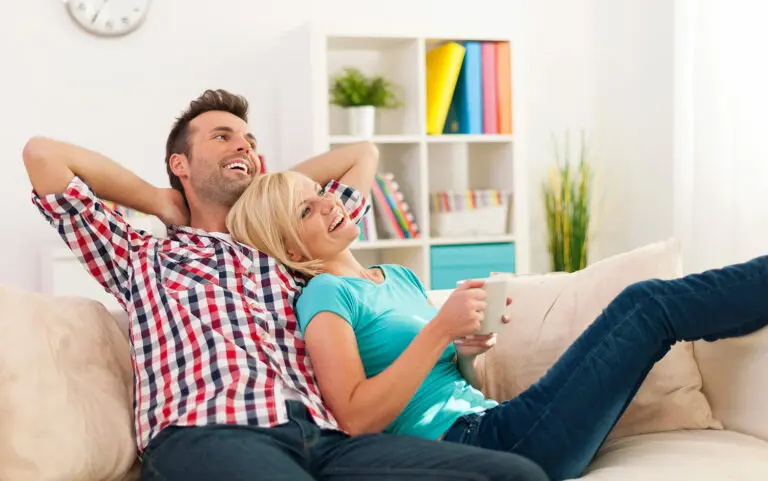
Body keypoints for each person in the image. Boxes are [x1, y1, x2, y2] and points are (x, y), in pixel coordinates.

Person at [23, 89, 549, 481]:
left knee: (517, 475)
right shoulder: (143, 256)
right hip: (212, 433)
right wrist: (158, 200)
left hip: (325, 439)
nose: (244, 146)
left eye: (250, 142)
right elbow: (43, 155)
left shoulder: (290, 246)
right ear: (179, 164)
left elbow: (362, 154)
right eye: (222, 137)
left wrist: (267, 191)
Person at [227, 168, 768, 481]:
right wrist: (438, 331)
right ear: (288, 247)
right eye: (305, 211)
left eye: (319, 192)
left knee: (646, 310)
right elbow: (354, 416)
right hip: (481, 445)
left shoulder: (397, 276)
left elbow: (451, 382)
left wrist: (465, 350)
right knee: (644, 307)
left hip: (497, 420)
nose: (328, 205)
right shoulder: (325, 295)